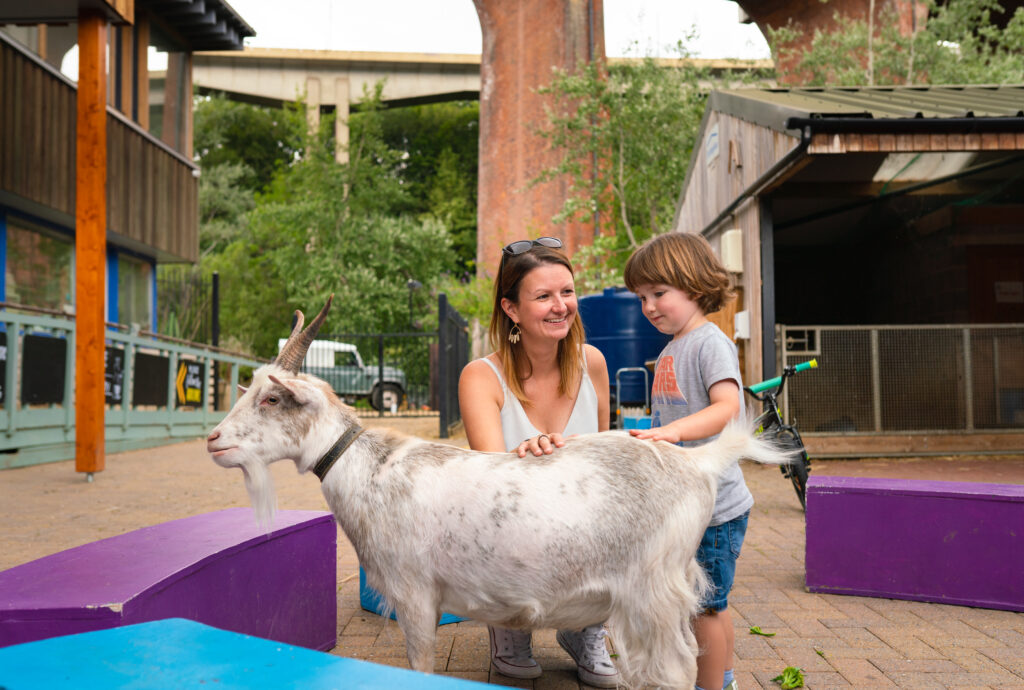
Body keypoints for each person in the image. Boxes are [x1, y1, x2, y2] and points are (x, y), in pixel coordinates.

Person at [457, 236, 620, 688]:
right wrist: (520, 458)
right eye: (543, 296)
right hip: (513, 522)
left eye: (566, 292)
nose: (560, 306)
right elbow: (488, 480)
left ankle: (585, 626)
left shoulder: (594, 363)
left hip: (581, 524)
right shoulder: (480, 377)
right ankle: (510, 626)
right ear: (511, 310)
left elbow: (602, 463)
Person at [623, 232, 749, 690]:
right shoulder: (674, 346)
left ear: (693, 286)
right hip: (685, 504)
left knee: (705, 607)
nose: (649, 306)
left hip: (714, 507)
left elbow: (727, 407)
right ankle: (724, 680)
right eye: (641, 298)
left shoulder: (708, 342)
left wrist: (675, 432)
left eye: (658, 293)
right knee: (701, 604)